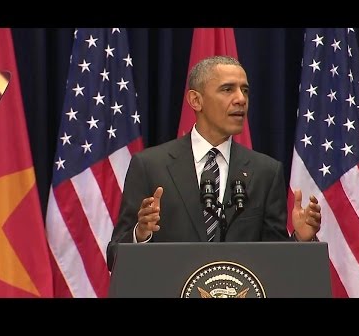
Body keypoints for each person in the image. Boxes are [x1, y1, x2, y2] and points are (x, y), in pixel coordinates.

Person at [106, 56, 321, 270]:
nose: (241, 99)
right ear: (195, 100)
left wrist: (300, 240)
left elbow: (275, 264)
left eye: (244, 90)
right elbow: (114, 257)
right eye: (228, 89)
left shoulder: (266, 172)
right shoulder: (149, 166)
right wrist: (141, 234)